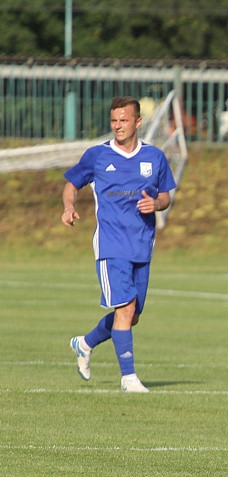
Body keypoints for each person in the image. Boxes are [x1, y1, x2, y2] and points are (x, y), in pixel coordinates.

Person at [61, 96, 176, 393]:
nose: (118, 126)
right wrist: (69, 207)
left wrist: (157, 203)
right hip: (112, 245)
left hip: (142, 245)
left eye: (124, 120)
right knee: (125, 309)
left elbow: (166, 196)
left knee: (132, 315)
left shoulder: (155, 157)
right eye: (114, 121)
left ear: (138, 122)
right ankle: (129, 378)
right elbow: (72, 183)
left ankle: (85, 343)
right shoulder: (98, 156)